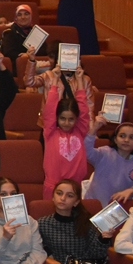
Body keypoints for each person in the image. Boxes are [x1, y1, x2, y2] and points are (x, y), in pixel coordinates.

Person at [40, 69, 89, 198]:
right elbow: (50, 109)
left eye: (71, 119)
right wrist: (55, 81)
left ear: (76, 120)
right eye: (62, 118)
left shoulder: (80, 130)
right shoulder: (50, 132)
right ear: (57, 118)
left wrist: (79, 80)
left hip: (75, 186)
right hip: (53, 186)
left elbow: (83, 109)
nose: (66, 123)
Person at [85, 119, 133, 207]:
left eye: (132, 137)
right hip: (94, 205)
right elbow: (86, 152)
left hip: (117, 210)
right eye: (122, 136)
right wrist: (94, 129)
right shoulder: (105, 153)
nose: (126, 140)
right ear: (115, 139)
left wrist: (131, 190)